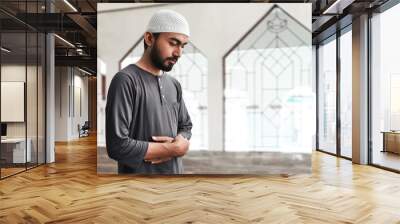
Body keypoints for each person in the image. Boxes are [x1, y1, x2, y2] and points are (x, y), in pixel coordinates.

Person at [105, 9, 193, 174]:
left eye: (182, 46)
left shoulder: (174, 85)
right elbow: (117, 146)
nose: (179, 53)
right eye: (173, 43)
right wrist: (173, 149)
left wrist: (181, 140)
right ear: (150, 38)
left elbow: (186, 126)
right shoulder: (125, 80)